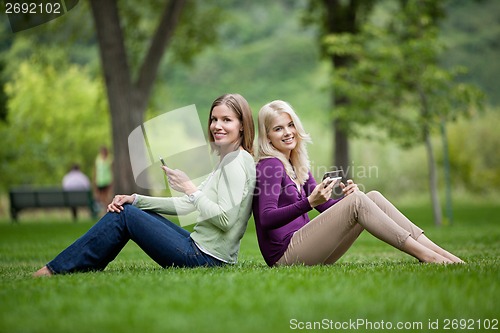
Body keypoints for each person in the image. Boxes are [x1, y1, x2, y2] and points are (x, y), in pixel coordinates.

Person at [34, 93, 256, 276]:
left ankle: (57, 269)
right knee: (129, 209)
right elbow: (187, 205)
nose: (217, 125)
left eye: (226, 120)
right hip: (202, 250)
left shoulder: (234, 162)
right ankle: (79, 266)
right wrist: (136, 199)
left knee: (125, 216)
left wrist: (191, 189)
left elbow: (226, 220)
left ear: (242, 125)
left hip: (206, 258)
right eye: (214, 119)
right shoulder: (229, 160)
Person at [252, 100, 464, 267]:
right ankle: (426, 256)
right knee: (358, 202)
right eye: (278, 129)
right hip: (286, 256)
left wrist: (345, 200)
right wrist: (309, 202)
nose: (288, 132)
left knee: (371, 197)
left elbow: (325, 207)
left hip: (308, 249)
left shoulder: (295, 164)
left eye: (290, 125)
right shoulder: (270, 166)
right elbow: (266, 218)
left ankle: (442, 254)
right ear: (267, 136)